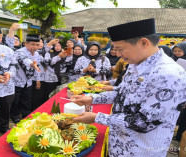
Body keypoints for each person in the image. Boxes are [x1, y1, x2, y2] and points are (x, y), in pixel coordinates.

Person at [71, 18, 186, 157]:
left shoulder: (168, 74)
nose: (118, 54)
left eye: (121, 49)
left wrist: (97, 117)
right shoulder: (135, 64)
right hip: (118, 144)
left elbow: (144, 122)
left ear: (144, 43)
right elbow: (122, 92)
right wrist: (91, 99)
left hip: (141, 150)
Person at [10, 34, 41, 124]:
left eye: (37, 45)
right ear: (26, 44)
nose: (34, 47)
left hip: (29, 81)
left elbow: (37, 67)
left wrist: (38, 80)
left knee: (26, 98)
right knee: (15, 99)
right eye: (32, 44)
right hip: (17, 80)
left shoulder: (37, 54)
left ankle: (26, 114)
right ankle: (14, 115)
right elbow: (25, 60)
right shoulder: (20, 52)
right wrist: (32, 64)